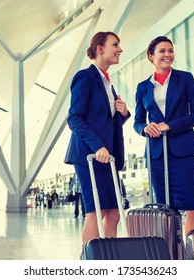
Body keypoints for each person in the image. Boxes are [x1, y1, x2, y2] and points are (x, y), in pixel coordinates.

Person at [64, 31, 130, 246]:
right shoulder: (86, 77)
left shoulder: (108, 84)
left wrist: (123, 114)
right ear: (100, 49)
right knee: (96, 210)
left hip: (107, 157)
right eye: (115, 45)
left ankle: (108, 258)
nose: (120, 49)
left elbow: (106, 123)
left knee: (113, 213)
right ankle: (90, 262)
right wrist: (98, 146)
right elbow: (74, 118)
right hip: (89, 155)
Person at [134, 36, 194, 237]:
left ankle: (192, 252)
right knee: (164, 208)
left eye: (170, 51)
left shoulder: (185, 78)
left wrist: (169, 126)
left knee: (192, 203)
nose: (167, 55)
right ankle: (170, 253)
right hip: (156, 152)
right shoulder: (143, 87)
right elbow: (138, 121)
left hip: (182, 149)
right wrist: (145, 128)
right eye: (162, 51)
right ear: (151, 56)